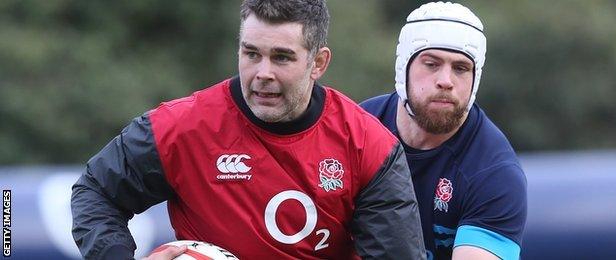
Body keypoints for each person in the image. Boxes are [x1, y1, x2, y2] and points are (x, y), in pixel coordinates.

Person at [71, 0, 426, 259]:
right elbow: (95, 191)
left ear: (318, 63)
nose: (262, 72)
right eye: (251, 53)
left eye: (282, 57)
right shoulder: (180, 128)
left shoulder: (369, 146)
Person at [360, 2, 527, 260]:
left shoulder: (494, 172)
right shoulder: (357, 130)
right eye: (431, 64)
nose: (446, 81)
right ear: (403, 67)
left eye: (460, 68)